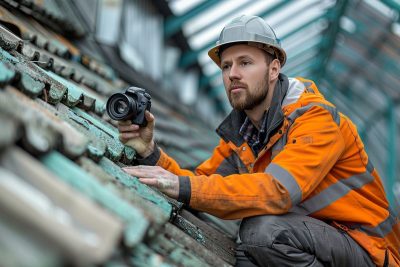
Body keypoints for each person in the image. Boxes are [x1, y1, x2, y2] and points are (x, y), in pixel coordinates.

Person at [118, 15, 399, 267]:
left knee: (261, 234)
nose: (233, 74)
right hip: (315, 241)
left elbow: (278, 191)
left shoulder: (317, 120)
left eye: (245, 63)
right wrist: (151, 153)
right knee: (246, 254)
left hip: (368, 251)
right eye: (226, 66)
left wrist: (183, 186)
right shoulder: (245, 132)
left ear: (274, 69)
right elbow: (198, 184)